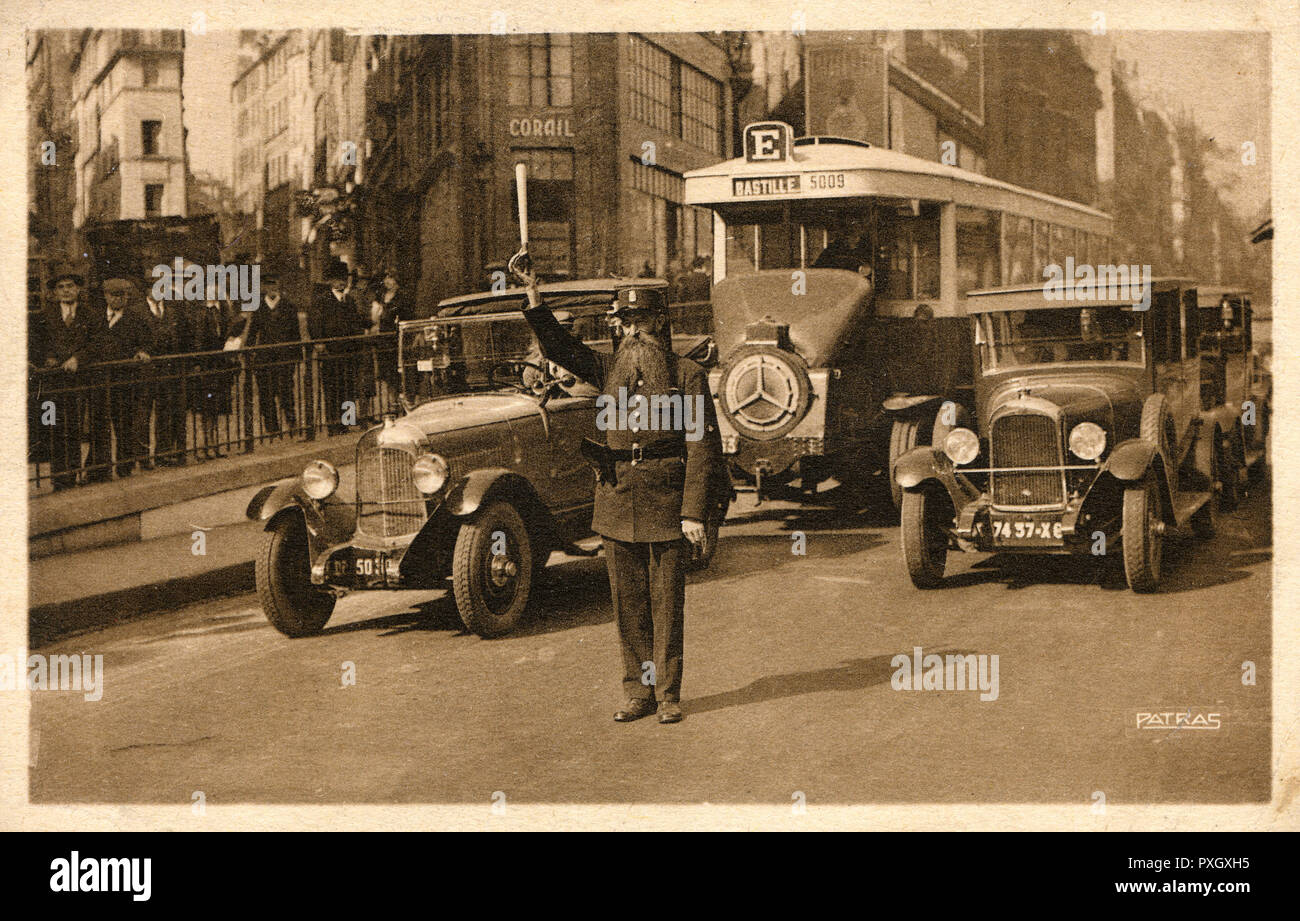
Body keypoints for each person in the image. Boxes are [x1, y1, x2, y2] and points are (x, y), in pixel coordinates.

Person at [512, 251, 725, 725]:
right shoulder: (609, 370)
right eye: (624, 322)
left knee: (666, 603)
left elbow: (702, 448)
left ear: (659, 322)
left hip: (667, 502)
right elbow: (558, 346)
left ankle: (668, 694)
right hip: (616, 500)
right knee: (628, 607)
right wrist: (532, 292)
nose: (632, 331)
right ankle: (638, 691)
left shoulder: (687, 376)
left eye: (640, 321)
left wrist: (693, 513)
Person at [35, 267, 101, 490]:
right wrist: (49, 358)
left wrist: (77, 358)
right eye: (61, 287)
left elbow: (96, 343)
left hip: (79, 380)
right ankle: (58, 478)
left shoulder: (90, 315)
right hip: (53, 383)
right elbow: (37, 343)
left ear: (78, 289)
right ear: (54, 292)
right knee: (53, 427)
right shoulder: (46, 315)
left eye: (70, 286)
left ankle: (72, 474)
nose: (66, 291)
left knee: (74, 428)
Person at [88, 276, 152, 480]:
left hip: (124, 380)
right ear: (106, 296)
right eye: (114, 295)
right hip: (100, 380)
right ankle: (99, 469)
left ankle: (125, 466)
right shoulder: (96, 318)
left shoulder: (135, 319)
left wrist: (143, 351)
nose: (118, 300)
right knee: (99, 425)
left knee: (124, 424)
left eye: (122, 295)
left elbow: (148, 341)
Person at [139, 268, 189, 466]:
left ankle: (163, 453)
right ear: (147, 288)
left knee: (166, 412)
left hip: (168, 370)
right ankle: (142, 457)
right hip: (145, 372)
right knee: (142, 415)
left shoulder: (172, 309)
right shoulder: (137, 310)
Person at [314, 260, 368, 434]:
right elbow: (315, 324)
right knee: (332, 388)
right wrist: (319, 342)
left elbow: (356, 322)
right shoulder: (322, 301)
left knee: (348, 387)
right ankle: (333, 424)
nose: (340, 283)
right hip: (331, 351)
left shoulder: (349, 301)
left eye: (343, 279)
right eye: (337, 280)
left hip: (349, 350)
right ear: (330, 281)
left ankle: (347, 421)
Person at [245, 272, 300, 439]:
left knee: (286, 392)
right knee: (266, 394)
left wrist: (296, 356)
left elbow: (295, 333)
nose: (272, 288)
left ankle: (291, 424)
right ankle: (272, 428)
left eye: (275, 285)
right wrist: (249, 351)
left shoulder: (289, 307)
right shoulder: (259, 308)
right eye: (268, 285)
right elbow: (252, 332)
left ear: (279, 286)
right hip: (265, 358)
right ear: (264, 288)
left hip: (284, 357)